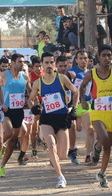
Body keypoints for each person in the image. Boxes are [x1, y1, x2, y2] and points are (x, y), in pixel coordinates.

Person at [29, 52, 79, 188]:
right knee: (51, 147)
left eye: (51, 62)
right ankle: (60, 177)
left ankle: (54, 158)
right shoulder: (38, 83)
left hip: (62, 118)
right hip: (47, 118)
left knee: (62, 155)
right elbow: (30, 99)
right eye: (46, 63)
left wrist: (73, 107)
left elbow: (75, 91)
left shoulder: (62, 78)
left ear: (55, 64)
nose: (49, 65)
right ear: (42, 65)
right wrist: (34, 108)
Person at [79, 45, 112, 187]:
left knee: (109, 146)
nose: (107, 58)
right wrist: (82, 100)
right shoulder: (92, 73)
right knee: (104, 138)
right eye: (104, 55)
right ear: (99, 57)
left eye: (109, 55)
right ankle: (96, 147)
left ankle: (102, 174)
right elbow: (82, 86)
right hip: (98, 113)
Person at [0, 53, 30, 177]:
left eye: (23, 62)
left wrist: (33, 103)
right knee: (9, 131)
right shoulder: (3, 75)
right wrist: (0, 103)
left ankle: (2, 166)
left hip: (19, 111)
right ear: (13, 63)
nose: (22, 64)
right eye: (20, 61)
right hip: (6, 111)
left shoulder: (25, 77)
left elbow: (30, 93)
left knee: (13, 140)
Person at [68, 50, 94, 164]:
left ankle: (89, 155)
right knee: (75, 128)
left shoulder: (91, 73)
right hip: (73, 105)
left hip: (85, 104)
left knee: (89, 129)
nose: (83, 60)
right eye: (81, 58)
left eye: (85, 58)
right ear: (76, 60)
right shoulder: (71, 72)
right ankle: (71, 149)